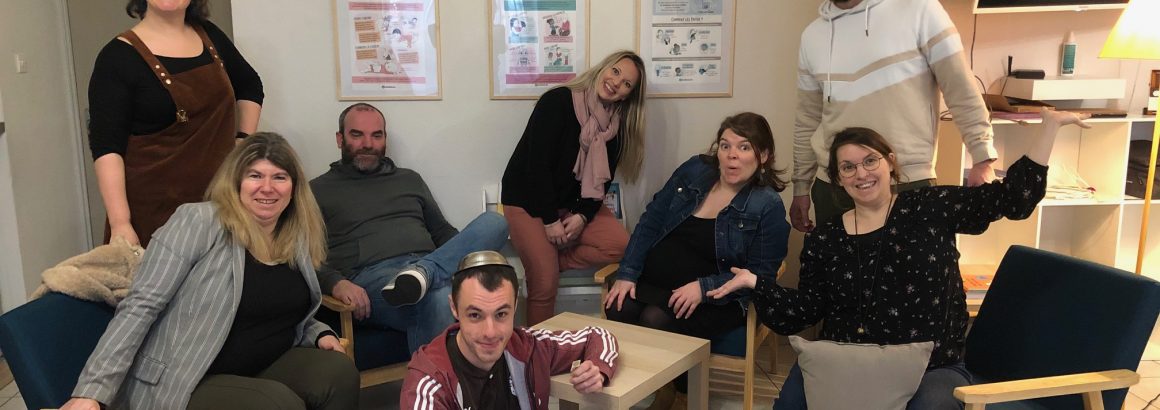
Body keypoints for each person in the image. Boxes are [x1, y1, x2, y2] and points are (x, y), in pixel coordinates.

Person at [707, 109, 1091, 409]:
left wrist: (1049, 127)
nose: (861, 173)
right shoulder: (826, 237)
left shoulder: (930, 207)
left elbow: (1014, 200)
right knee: (793, 402)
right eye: (848, 167)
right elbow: (805, 310)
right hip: (846, 361)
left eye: (869, 161)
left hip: (931, 366)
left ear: (890, 162)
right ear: (838, 179)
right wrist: (755, 283)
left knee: (932, 405)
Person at [61, 133, 358, 410]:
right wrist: (91, 392)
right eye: (255, 176)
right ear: (236, 182)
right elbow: (140, 306)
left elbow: (280, 305)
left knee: (338, 371)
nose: (267, 187)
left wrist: (317, 332)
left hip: (263, 362)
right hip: (190, 374)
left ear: (293, 188)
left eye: (279, 177)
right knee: (278, 403)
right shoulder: (198, 222)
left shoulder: (294, 233)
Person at [603, 112, 790, 407]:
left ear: (763, 155)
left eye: (744, 147)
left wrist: (703, 288)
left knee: (656, 318)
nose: (732, 155)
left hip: (717, 297)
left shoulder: (767, 205)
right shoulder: (695, 170)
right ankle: (655, 387)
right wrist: (628, 272)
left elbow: (760, 275)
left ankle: (682, 394)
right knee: (618, 304)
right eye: (725, 146)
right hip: (658, 281)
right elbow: (651, 220)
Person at [311, 103, 509, 352]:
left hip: (429, 263)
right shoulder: (317, 190)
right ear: (340, 139)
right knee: (440, 297)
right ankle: (436, 380)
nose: (368, 144)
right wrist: (335, 283)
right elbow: (301, 256)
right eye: (357, 135)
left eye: (377, 135)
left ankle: (425, 272)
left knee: (495, 222)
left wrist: (456, 256)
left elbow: (442, 232)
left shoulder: (409, 179)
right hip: (375, 278)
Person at [789, 0, 998, 233]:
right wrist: (801, 186)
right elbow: (808, 119)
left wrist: (982, 158)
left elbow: (960, 88)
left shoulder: (920, 9)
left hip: (907, 182)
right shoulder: (812, 36)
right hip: (835, 186)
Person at [89, 0, 264, 248]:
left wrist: (242, 142)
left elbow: (250, 85)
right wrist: (120, 223)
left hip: (219, 202)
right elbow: (107, 147)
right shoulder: (116, 57)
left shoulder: (209, 36)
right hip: (153, 215)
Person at [501, 50, 648, 325]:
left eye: (626, 83)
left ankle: (555, 261)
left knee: (621, 246)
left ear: (628, 95)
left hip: (571, 203)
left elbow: (602, 183)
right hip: (527, 199)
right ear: (603, 68)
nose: (616, 83)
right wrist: (550, 221)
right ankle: (538, 349)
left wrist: (582, 215)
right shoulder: (557, 101)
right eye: (615, 71)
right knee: (544, 285)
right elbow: (536, 167)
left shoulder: (615, 127)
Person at [401, 251, 618, 409]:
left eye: (501, 314)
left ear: (515, 307)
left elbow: (598, 335)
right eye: (475, 315)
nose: (490, 332)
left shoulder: (527, 346)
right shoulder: (428, 386)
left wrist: (597, 369)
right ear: (454, 308)